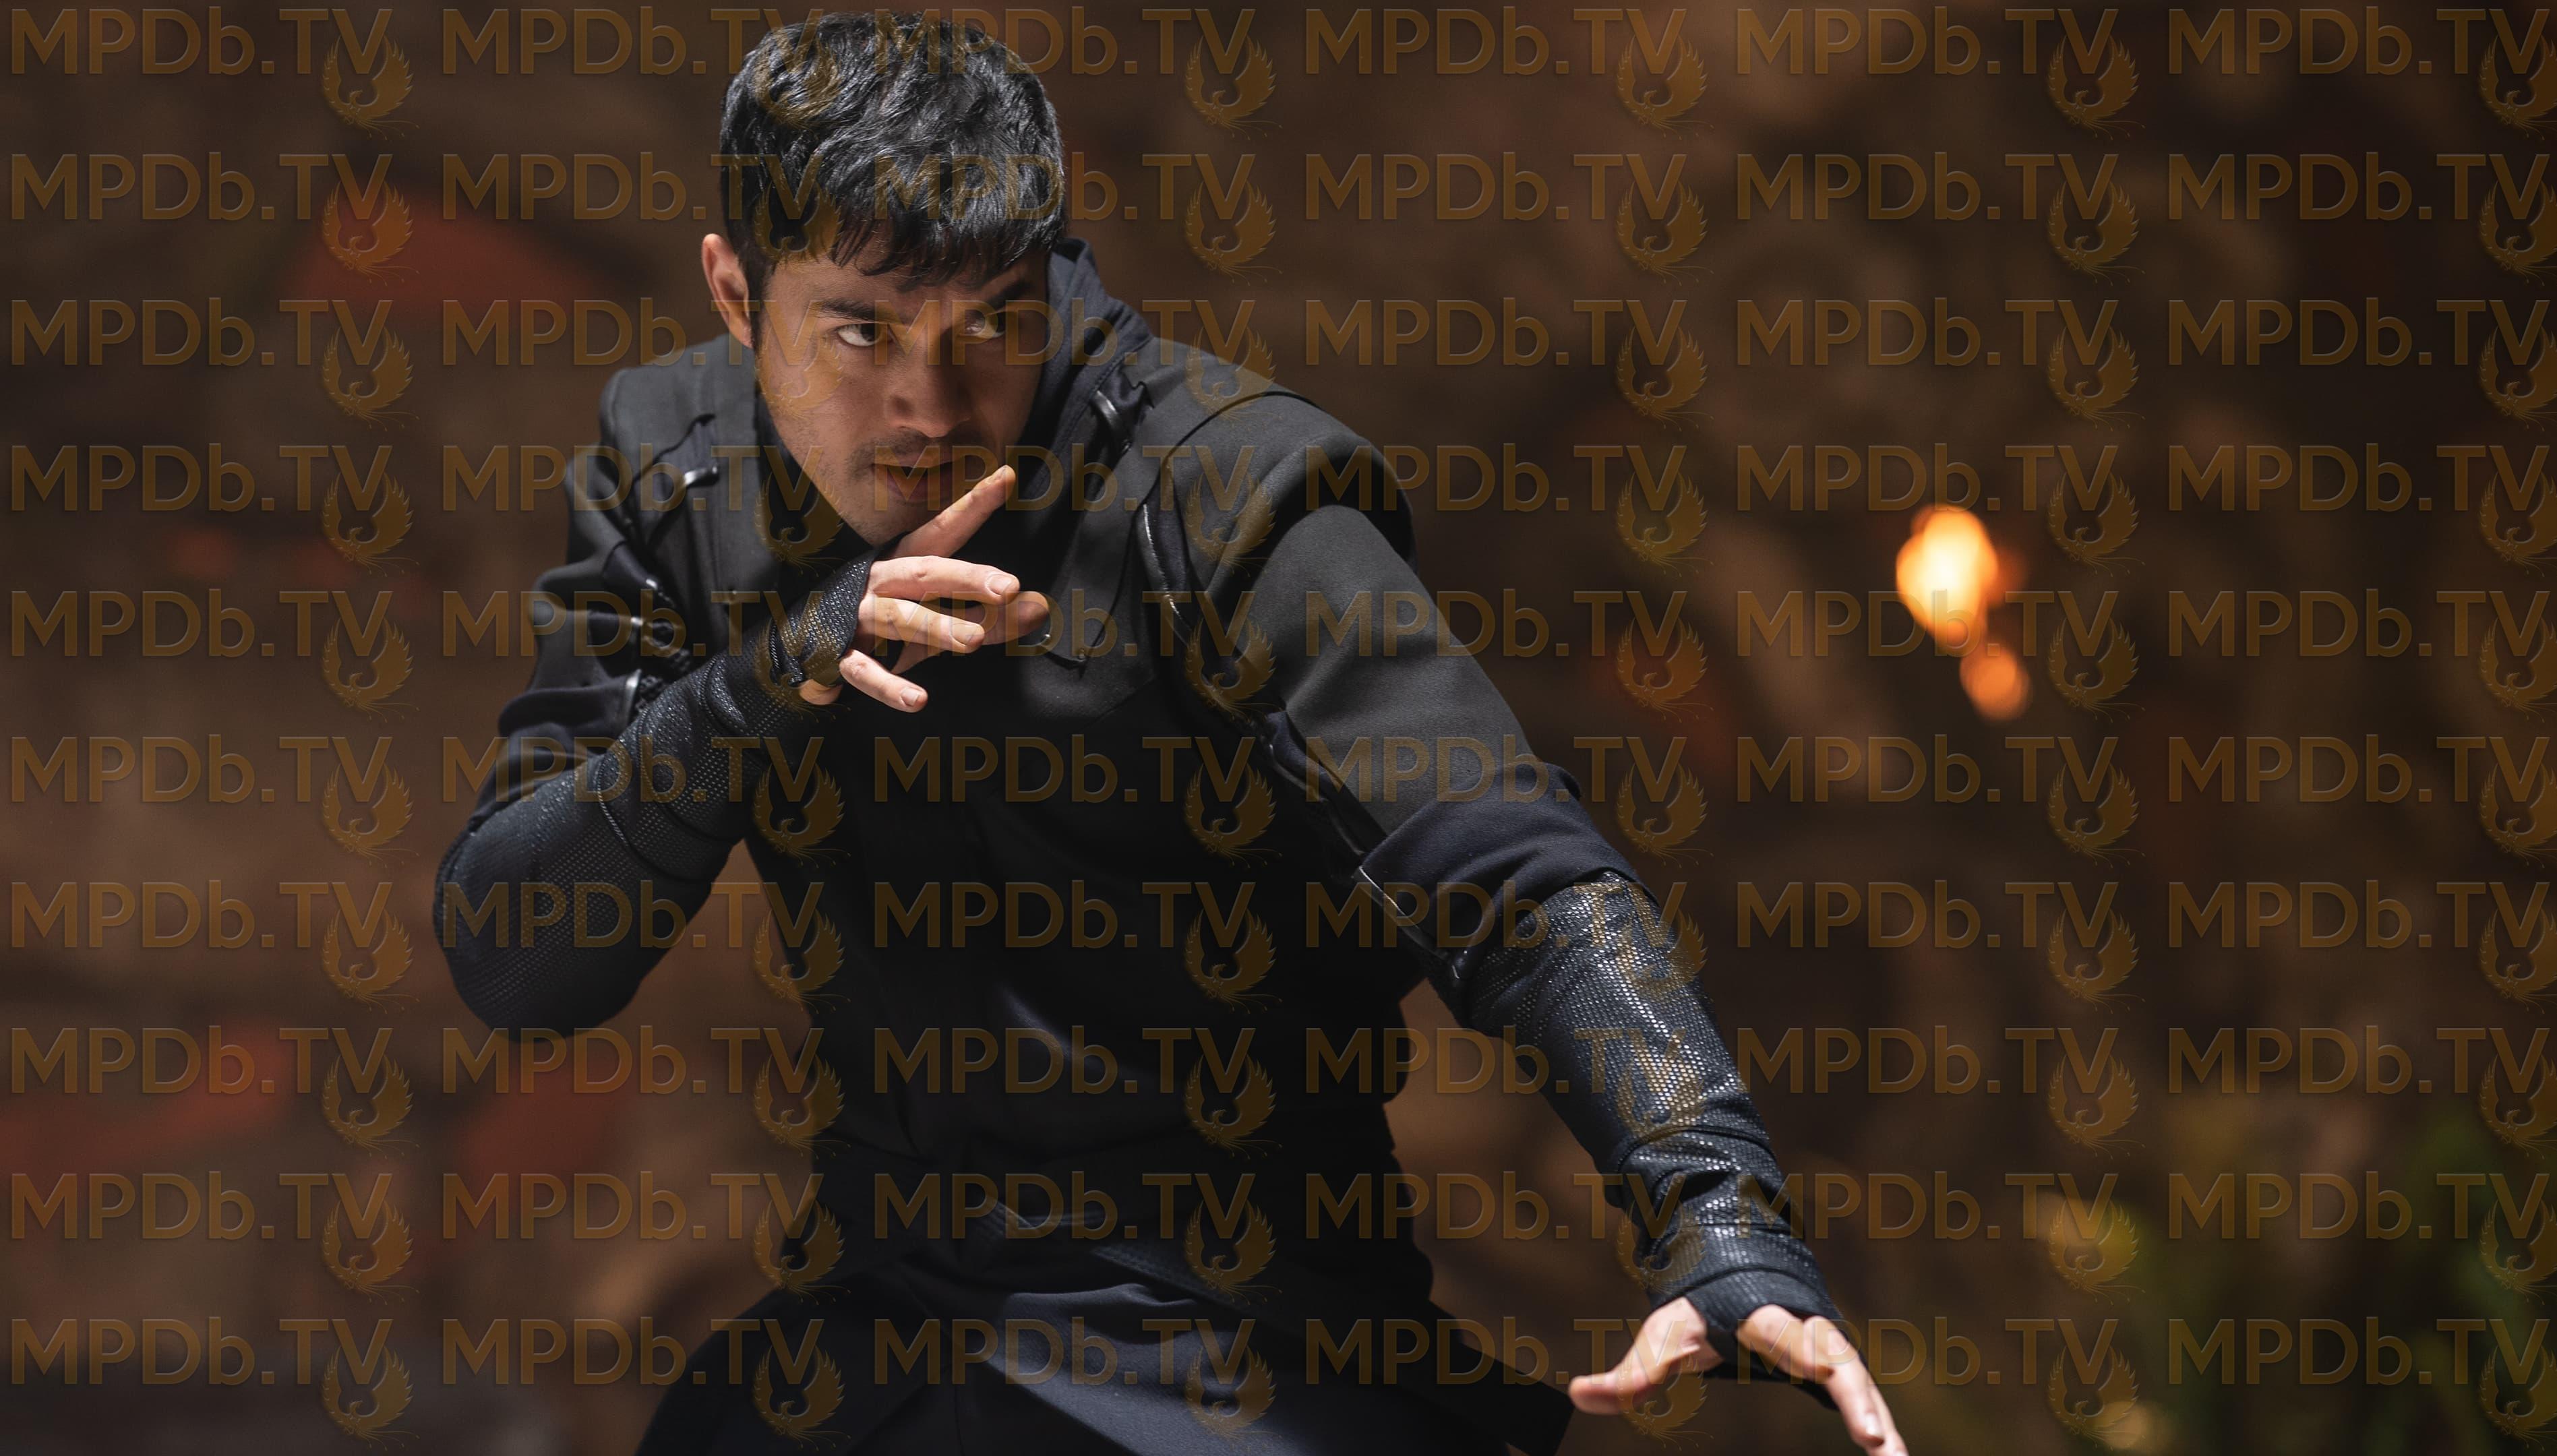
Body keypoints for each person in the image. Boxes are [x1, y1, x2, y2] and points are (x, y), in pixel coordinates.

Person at [435, 12, 1904, 1454]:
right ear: (735, 293)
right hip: (887, 1318)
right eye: (862, 332)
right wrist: (756, 691)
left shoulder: (1230, 499)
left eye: (991, 322)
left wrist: (1720, 1214)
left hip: (1243, 1335)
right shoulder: (680, 474)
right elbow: (516, 953)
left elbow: (1517, 879)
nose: (930, 405)